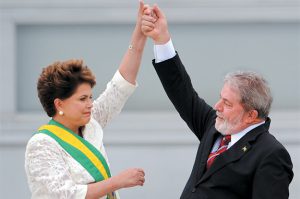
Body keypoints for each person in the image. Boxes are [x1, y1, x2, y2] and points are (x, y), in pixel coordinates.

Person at [141, 5, 294, 199]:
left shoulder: (271, 154)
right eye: (221, 98)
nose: (217, 107)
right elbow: (181, 91)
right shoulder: (215, 125)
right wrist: (161, 39)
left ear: (251, 115)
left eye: (228, 103)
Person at [25, 1, 148, 199]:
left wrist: (140, 34)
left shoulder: (91, 122)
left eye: (90, 97)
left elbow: (121, 85)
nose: (90, 103)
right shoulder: (41, 145)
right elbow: (68, 195)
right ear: (59, 104)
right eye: (82, 98)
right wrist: (117, 182)